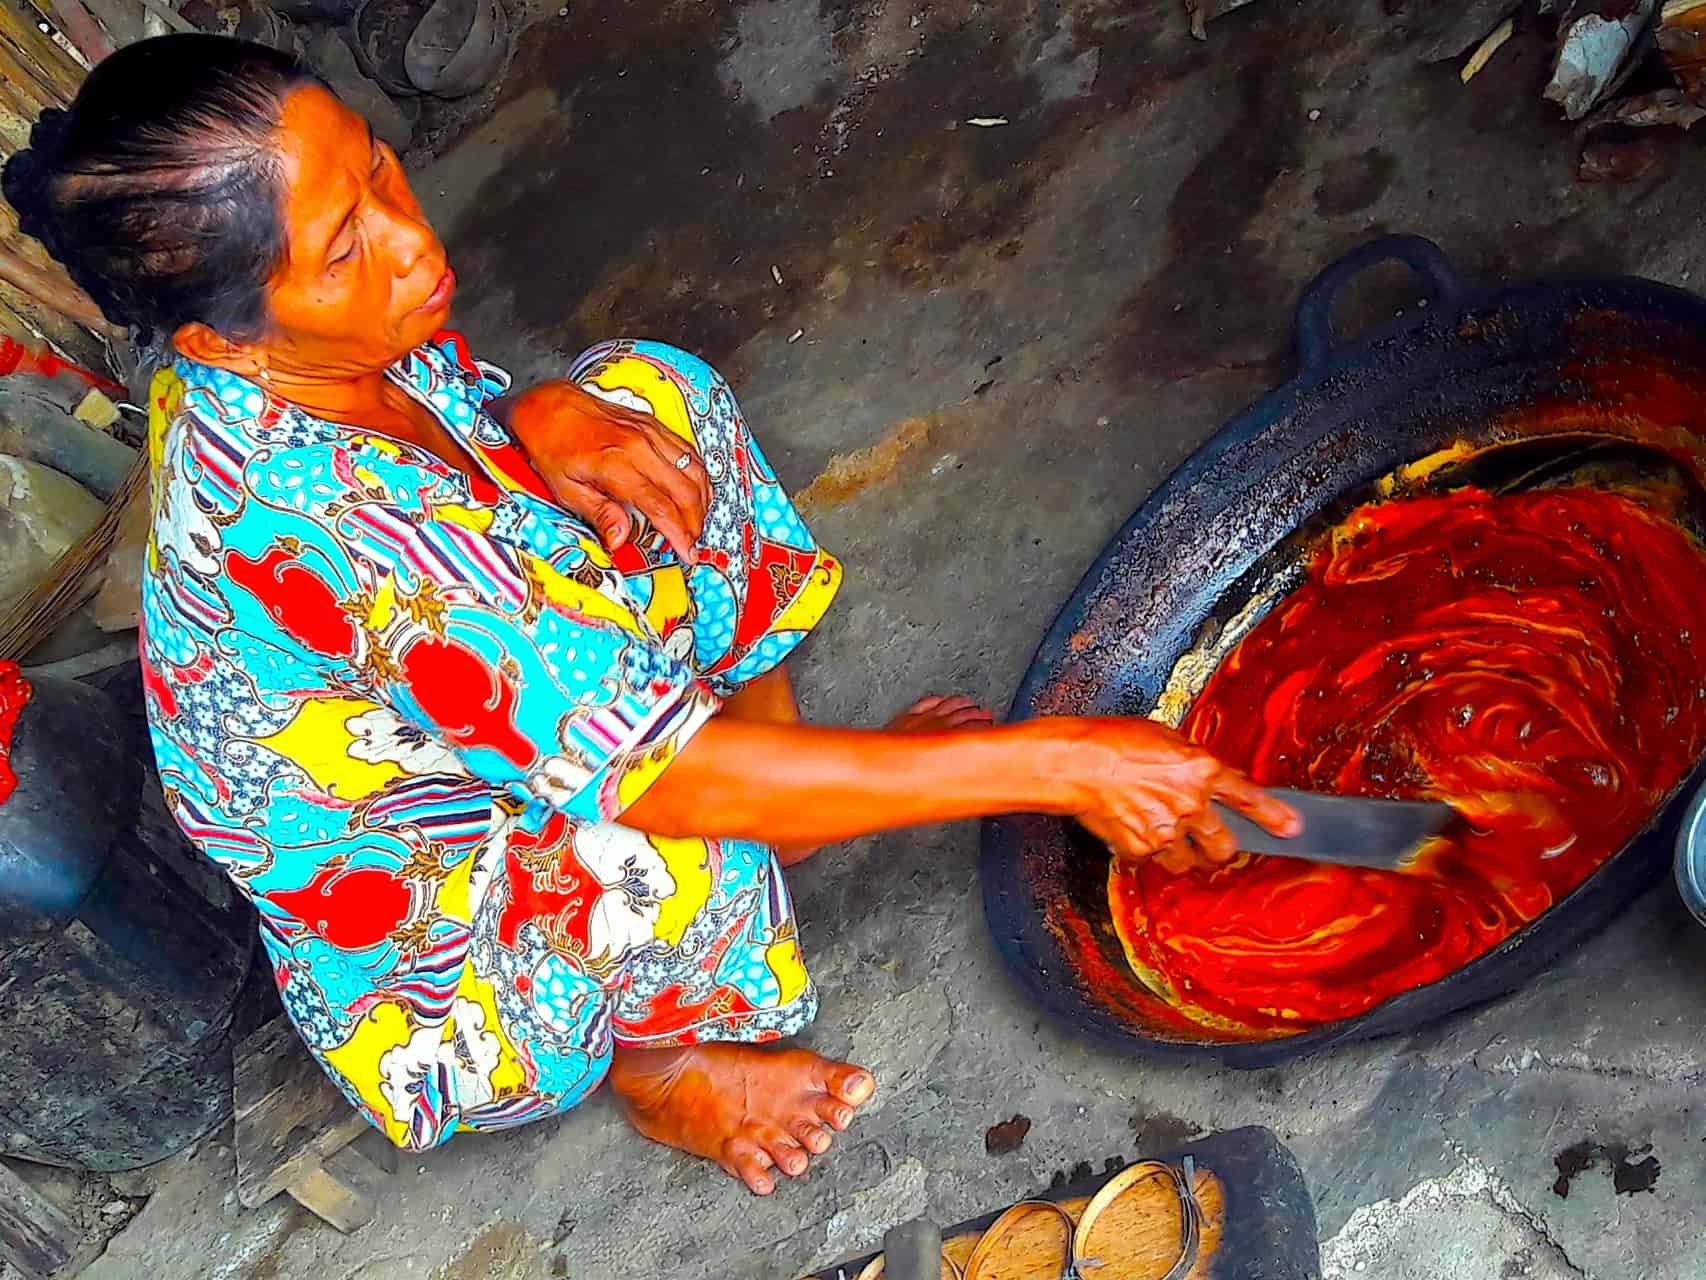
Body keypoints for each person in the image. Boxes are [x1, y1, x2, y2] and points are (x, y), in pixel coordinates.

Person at [3, 34, 1296, 1195]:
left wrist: (524, 414)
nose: (413, 241)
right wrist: (1059, 762)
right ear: (229, 338)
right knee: (654, 848)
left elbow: (448, 469)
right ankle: (665, 1070)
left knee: (647, 408)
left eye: (384, 173)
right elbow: (650, 772)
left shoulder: (313, 344)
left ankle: (788, 808)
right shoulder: (317, 522)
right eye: (348, 244)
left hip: (458, 706)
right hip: (431, 927)